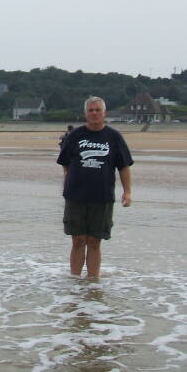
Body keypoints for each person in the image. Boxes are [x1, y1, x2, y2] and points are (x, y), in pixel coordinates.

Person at [56, 96, 133, 278]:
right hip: (76, 196)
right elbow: (65, 162)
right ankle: (75, 281)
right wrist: (69, 181)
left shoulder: (113, 137)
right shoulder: (75, 135)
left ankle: (92, 281)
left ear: (104, 113)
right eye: (91, 110)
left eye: (98, 110)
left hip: (102, 197)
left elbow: (124, 166)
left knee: (94, 241)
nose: (94, 113)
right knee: (78, 240)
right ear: (86, 113)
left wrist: (127, 192)